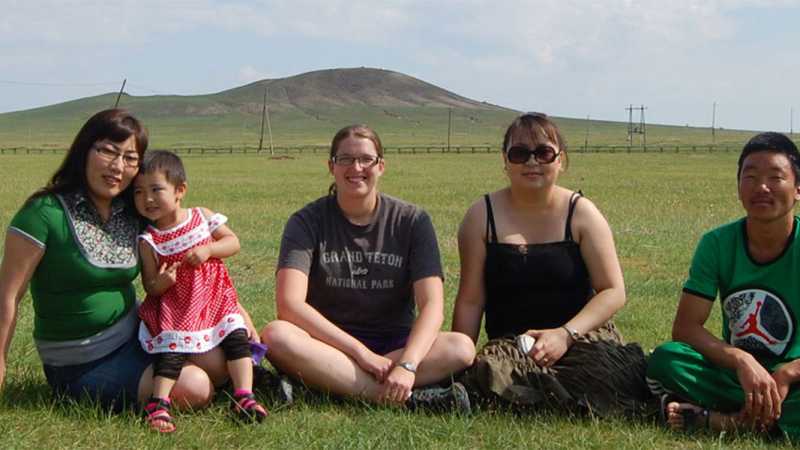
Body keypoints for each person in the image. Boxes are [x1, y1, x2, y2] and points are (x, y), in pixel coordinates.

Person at [0, 109, 230, 413]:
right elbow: (8, 295)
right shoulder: (43, 212)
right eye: (108, 151)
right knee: (196, 387)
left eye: (130, 158)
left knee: (219, 364)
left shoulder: (132, 210)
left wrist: (235, 314)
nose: (118, 167)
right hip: (80, 360)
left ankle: (257, 387)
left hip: (139, 333)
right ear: (84, 149)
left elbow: (188, 256)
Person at [260, 124, 475, 412]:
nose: (356, 167)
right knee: (277, 335)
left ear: (381, 166)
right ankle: (406, 400)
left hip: (394, 347)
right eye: (345, 159)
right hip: (328, 345)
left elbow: (432, 304)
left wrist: (408, 364)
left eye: (366, 159)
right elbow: (289, 305)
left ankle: (329, 384)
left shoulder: (412, 221)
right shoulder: (306, 222)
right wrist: (359, 353)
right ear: (331, 166)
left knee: (460, 348)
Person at [452, 112, 650, 415]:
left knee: (614, 371)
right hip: (513, 344)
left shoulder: (582, 213)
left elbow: (613, 290)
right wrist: (460, 361)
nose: (532, 162)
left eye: (543, 152)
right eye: (519, 153)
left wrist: (565, 335)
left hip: (580, 338)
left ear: (561, 160)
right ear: (505, 161)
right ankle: (573, 402)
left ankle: (530, 399)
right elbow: (470, 299)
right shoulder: (480, 216)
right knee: (490, 372)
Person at [647, 132, 800, 440]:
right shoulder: (717, 244)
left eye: (776, 177)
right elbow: (687, 328)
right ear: (738, 187)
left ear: (798, 189)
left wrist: (788, 372)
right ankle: (770, 420)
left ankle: (725, 421)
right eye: (751, 177)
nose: (762, 188)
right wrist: (742, 360)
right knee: (667, 359)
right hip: (736, 375)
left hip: (794, 378)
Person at [133, 150, 267, 432]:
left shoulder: (201, 216)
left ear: (180, 190)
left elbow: (233, 242)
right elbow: (149, 286)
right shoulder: (149, 240)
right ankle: (159, 404)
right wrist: (163, 283)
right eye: (139, 192)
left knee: (236, 338)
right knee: (172, 351)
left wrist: (209, 249)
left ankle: (244, 395)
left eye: (156, 189)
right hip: (178, 306)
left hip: (215, 300)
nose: (147, 199)